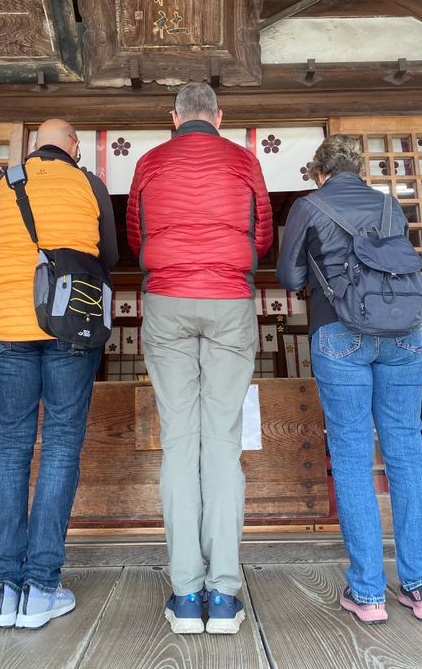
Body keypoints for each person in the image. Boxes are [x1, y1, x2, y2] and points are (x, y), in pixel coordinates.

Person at [277, 135, 422, 624]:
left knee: (352, 459)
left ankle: (368, 594)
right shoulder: (391, 205)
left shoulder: (309, 206)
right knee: (408, 456)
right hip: (407, 336)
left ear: (319, 172)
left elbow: (288, 278)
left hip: (341, 333)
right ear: (359, 169)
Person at [127, 82, 272, 634]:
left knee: (180, 442)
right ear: (218, 116)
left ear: (174, 117)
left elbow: (137, 233)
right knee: (223, 443)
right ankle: (226, 595)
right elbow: (261, 236)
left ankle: (186, 596)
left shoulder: (149, 161)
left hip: (166, 300)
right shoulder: (242, 159)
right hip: (229, 300)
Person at [0, 119, 118, 630]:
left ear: (35, 145)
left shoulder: (1, 184)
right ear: (74, 146)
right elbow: (110, 255)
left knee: (12, 446)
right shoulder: (89, 184)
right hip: (69, 326)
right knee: (60, 445)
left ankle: (2, 591)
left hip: (12, 326)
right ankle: (41, 587)